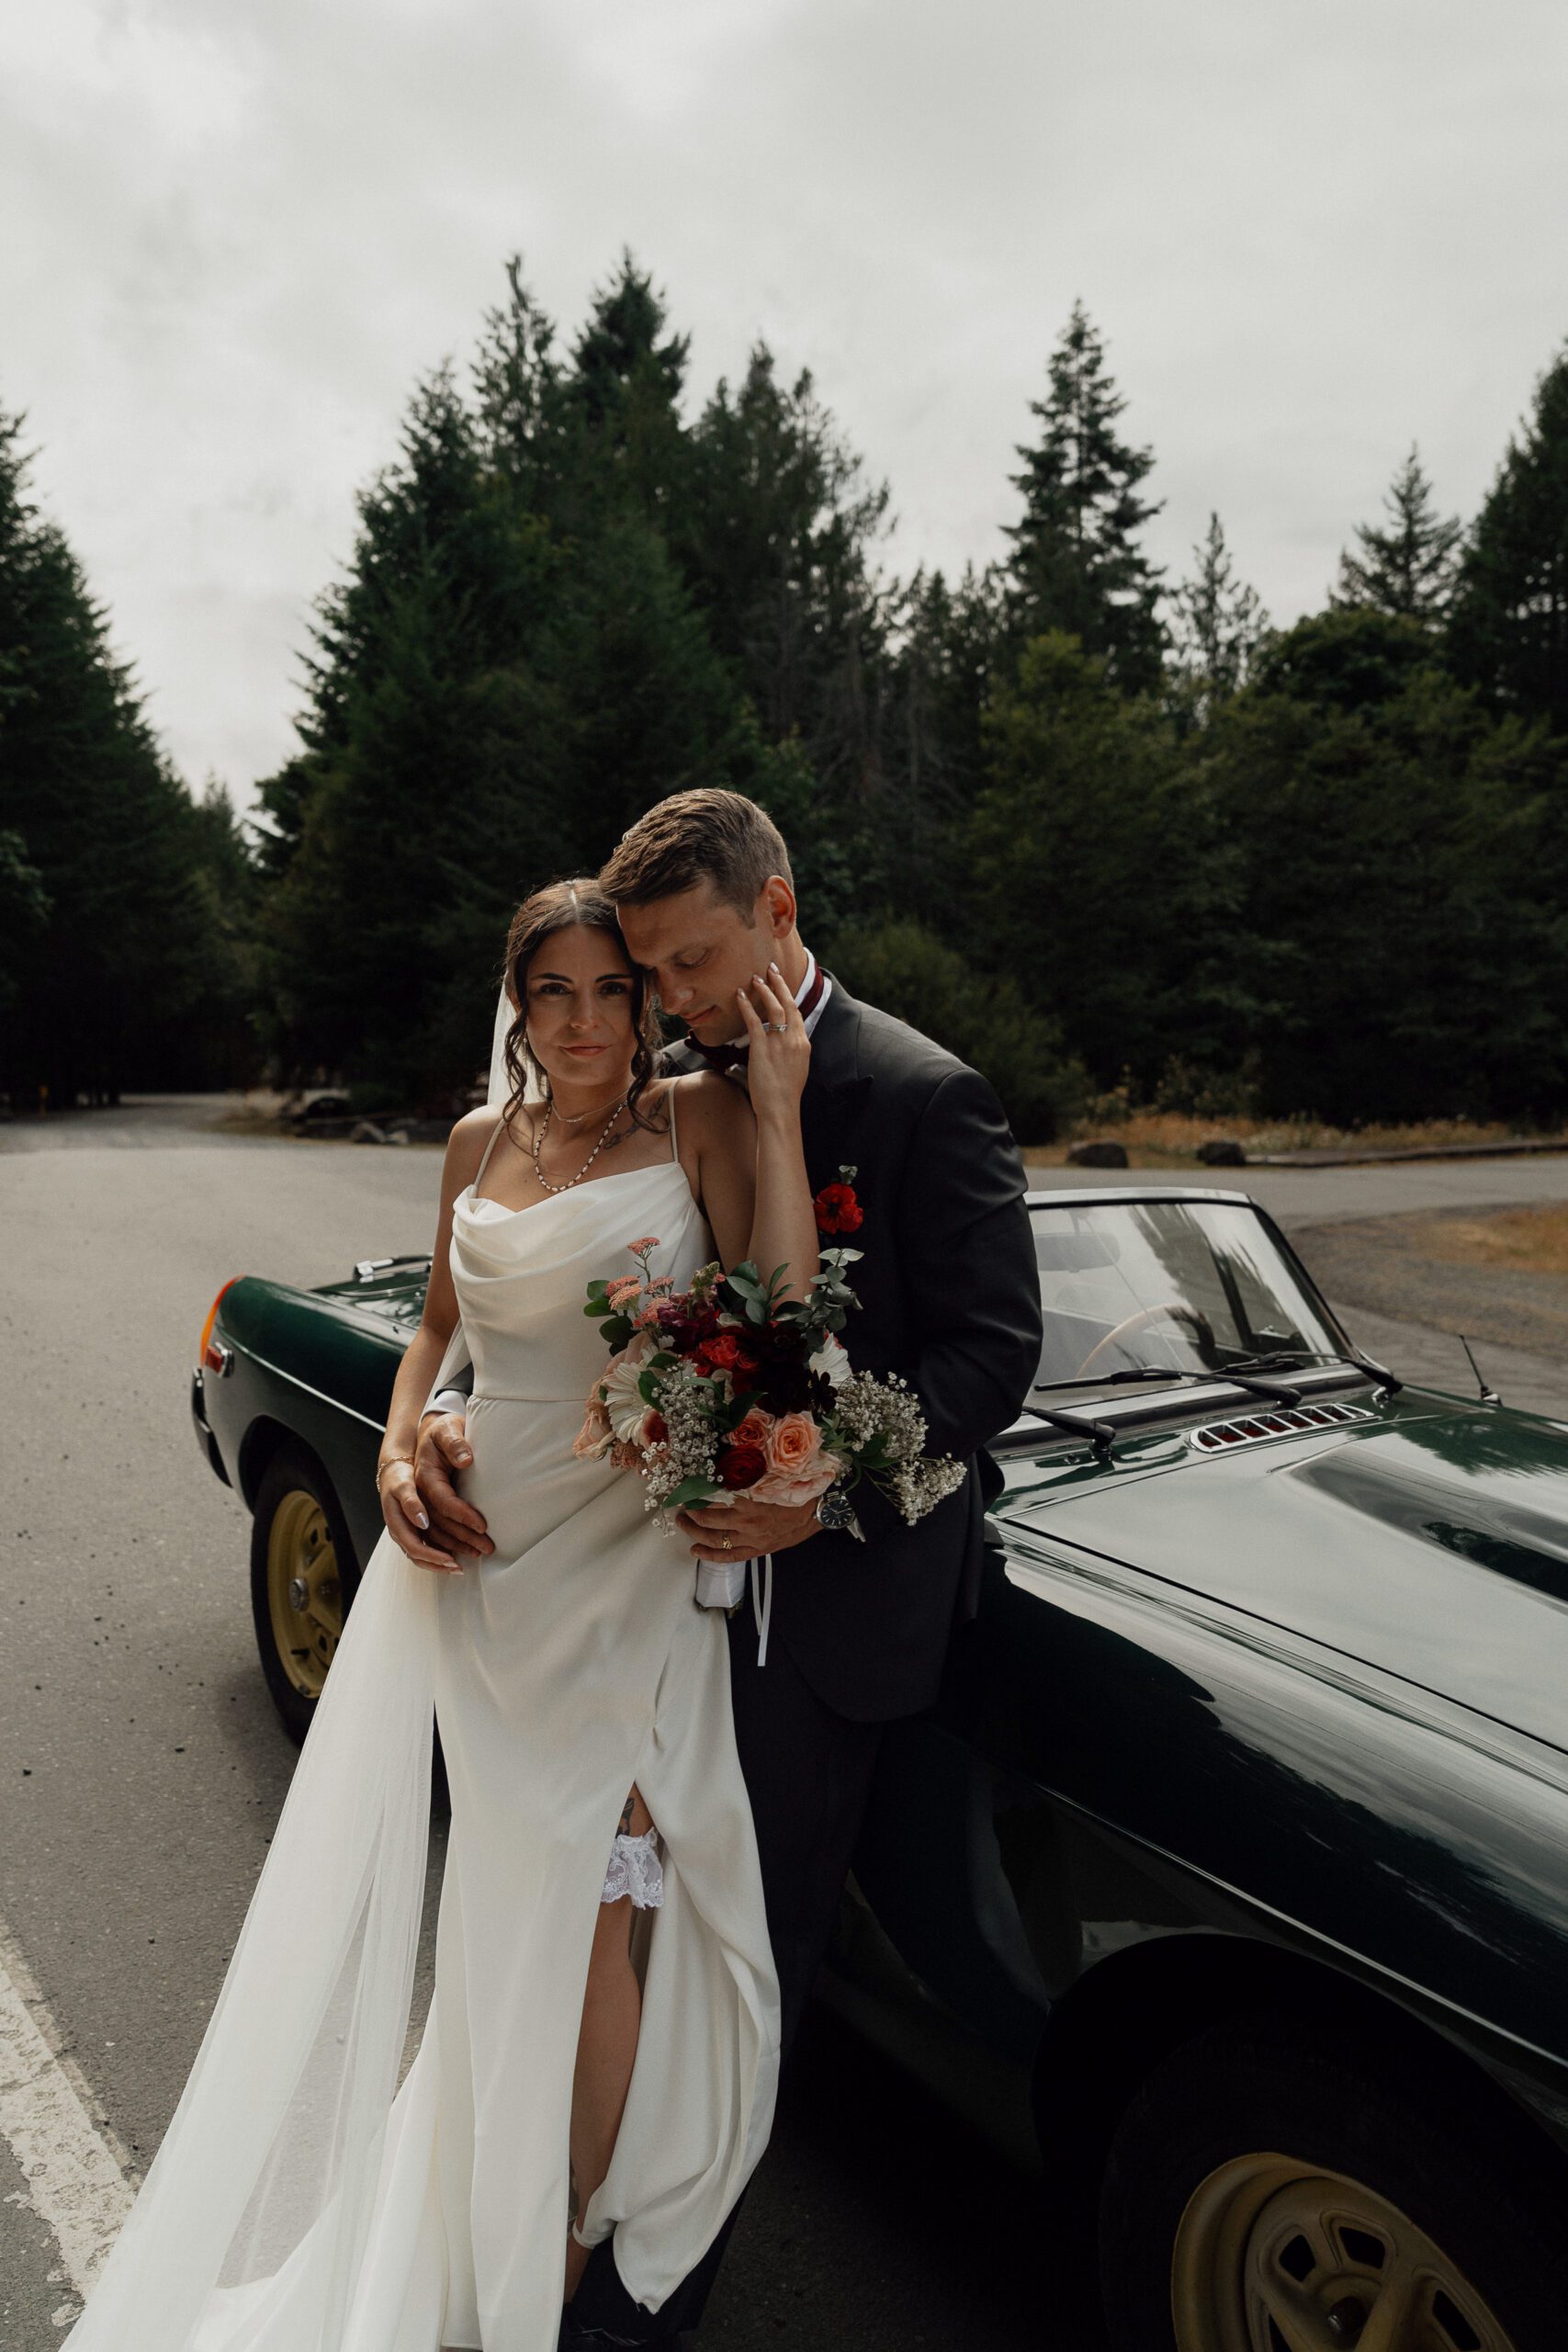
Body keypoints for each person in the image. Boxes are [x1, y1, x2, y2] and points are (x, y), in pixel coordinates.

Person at [62, 876, 818, 2352]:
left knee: (608, 1913)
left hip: (632, 1572)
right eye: (559, 993)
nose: (591, 1020)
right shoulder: (482, 1141)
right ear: (518, 1006)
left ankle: (572, 2245)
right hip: (486, 1575)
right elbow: (432, 1338)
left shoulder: (704, 1123)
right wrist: (409, 1447)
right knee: (515, 1911)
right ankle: (513, 2209)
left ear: (648, 1000)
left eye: (617, 990)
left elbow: (777, 1320)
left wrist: (782, 1114)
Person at [416, 792, 1043, 2344]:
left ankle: (643, 2291)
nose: (674, 1003)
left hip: (823, 1627)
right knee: (616, 1924)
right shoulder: (679, 1088)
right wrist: (425, 1416)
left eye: (688, 964)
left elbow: (991, 1356)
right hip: (632, 1586)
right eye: (653, 976)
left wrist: (822, 1496)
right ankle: (570, 2244)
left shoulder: (920, 1091)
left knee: (752, 1959)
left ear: (778, 911)